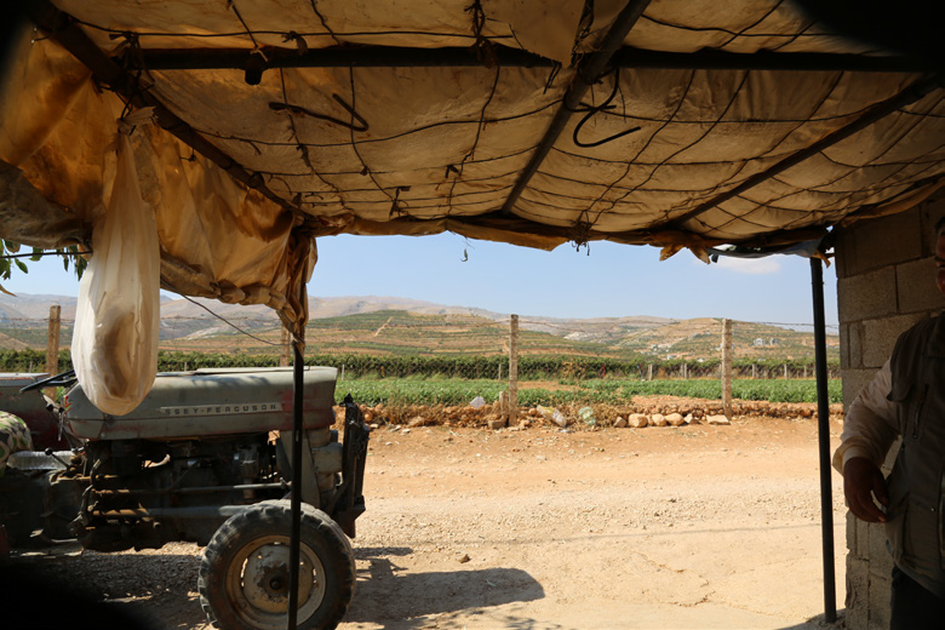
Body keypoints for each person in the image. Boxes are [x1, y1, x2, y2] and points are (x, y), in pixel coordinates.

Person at [834, 215, 945, 629]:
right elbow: (873, 409)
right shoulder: (917, 345)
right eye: (942, 267)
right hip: (920, 576)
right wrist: (858, 458)